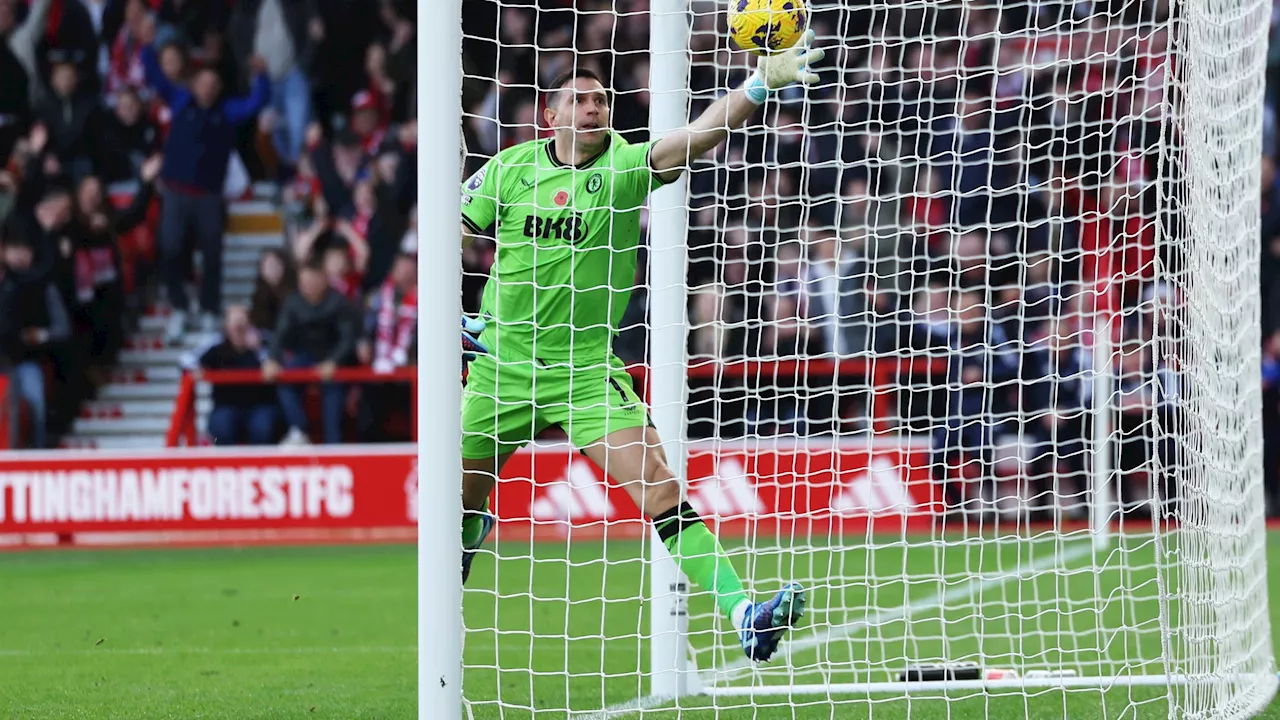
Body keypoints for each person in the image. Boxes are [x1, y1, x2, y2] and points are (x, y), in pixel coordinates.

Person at [457, 34, 823, 662]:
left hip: (585, 371)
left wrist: (757, 87)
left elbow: (697, 137)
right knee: (456, 500)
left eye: (602, 99)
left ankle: (744, 615)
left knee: (658, 490)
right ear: (551, 115)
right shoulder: (510, 169)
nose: (595, 107)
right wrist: (457, 316)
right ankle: (459, 568)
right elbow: (450, 232)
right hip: (501, 369)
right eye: (580, 100)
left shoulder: (624, 168)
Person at [139, 19, 270, 342]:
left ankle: (211, 310)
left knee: (212, 255)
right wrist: (145, 45)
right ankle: (181, 307)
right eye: (203, 83)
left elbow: (256, 103)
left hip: (209, 196)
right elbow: (155, 76)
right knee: (169, 249)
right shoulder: (180, 100)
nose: (208, 88)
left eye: (213, 84)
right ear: (194, 84)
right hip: (174, 193)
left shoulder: (226, 112)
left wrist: (261, 76)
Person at [265, 261, 356, 445]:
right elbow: (280, 335)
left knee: (333, 399)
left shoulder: (338, 302)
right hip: (303, 356)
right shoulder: (292, 302)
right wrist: (273, 359)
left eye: (312, 281)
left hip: (332, 359)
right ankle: (300, 430)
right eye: (304, 282)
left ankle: (334, 447)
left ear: (323, 279)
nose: (309, 286)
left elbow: (348, 339)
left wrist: (334, 361)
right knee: (285, 380)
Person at [198, 305, 279, 446]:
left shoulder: (265, 341)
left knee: (263, 426)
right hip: (226, 405)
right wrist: (197, 369)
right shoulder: (217, 344)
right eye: (234, 324)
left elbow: (277, 364)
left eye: (242, 324)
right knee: (222, 425)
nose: (239, 329)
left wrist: (258, 350)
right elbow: (187, 360)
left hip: (260, 405)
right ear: (226, 327)